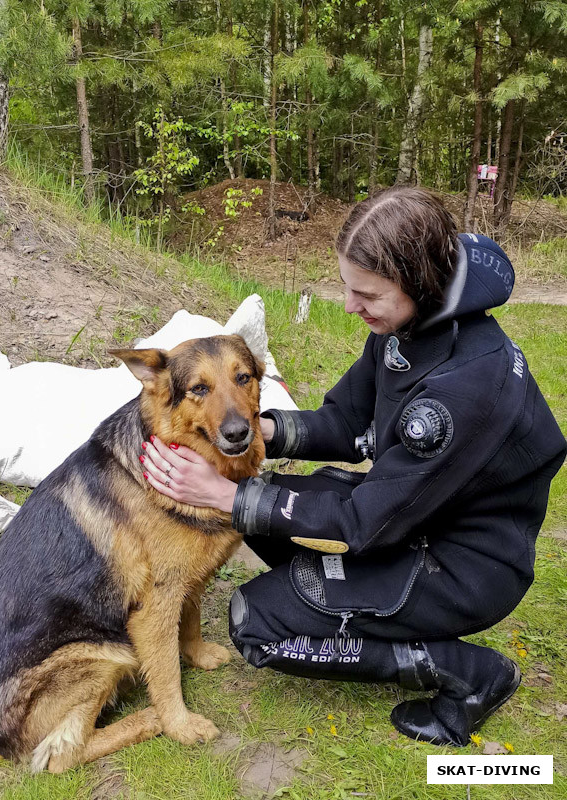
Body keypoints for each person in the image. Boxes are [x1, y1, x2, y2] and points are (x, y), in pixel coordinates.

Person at [140, 186, 566, 747]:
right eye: (346, 286)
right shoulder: (411, 327)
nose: (348, 305)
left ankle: (471, 676)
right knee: (258, 505)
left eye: (365, 293)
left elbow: (366, 521)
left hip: (465, 566)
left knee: (255, 623)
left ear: (418, 284)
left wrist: (227, 498)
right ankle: (330, 594)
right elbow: (346, 420)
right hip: (417, 519)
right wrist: (257, 430)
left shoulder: (465, 389)